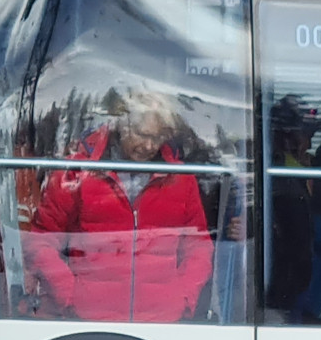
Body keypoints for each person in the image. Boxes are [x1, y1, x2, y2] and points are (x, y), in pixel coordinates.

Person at [24, 90, 215, 323]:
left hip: (162, 320)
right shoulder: (78, 171)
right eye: (142, 134)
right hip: (89, 320)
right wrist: (70, 295)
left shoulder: (181, 178)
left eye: (158, 138)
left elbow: (199, 247)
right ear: (120, 124)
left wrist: (184, 296)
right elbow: (41, 240)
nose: (148, 145)